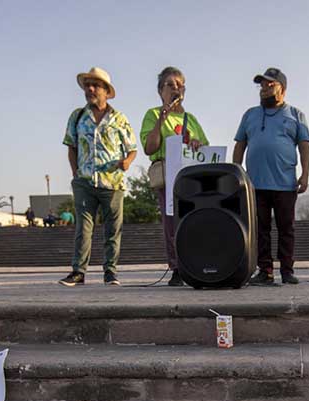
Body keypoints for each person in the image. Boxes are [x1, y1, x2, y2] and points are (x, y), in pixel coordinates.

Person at [59, 67, 137, 287]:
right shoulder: (77, 116)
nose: (90, 89)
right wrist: (75, 173)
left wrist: (128, 162)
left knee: (113, 229)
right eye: (87, 85)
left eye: (95, 85)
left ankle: (110, 272)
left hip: (112, 183)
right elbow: (71, 147)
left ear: (106, 91)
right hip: (84, 181)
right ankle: (78, 272)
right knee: (83, 227)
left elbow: (132, 148)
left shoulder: (119, 118)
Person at [232, 67, 309, 285]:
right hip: (255, 184)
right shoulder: (250, 114)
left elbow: (304, 147)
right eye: (262, 85)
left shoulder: (296, 114)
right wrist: (235, 173)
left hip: (285, 183)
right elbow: (240, 145)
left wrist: (305, 175)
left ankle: (287, 271)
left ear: (282, 89)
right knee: (260, 229)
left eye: (270, 85)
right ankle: (265, 271)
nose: (264, 89)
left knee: (287, 228)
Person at [140, 66, 208, 287]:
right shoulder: (152, 115)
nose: (176, 88)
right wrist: (162, 118)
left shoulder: (191, 119)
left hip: (191, 177)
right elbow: (150, 148)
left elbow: (205, 148)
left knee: (195, 221)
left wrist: (196, 143)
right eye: (170, 84)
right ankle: (177, 268)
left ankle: (197, 264)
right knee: (171, 223)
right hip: (169, 175)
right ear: (161, 91)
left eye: (180, 85)